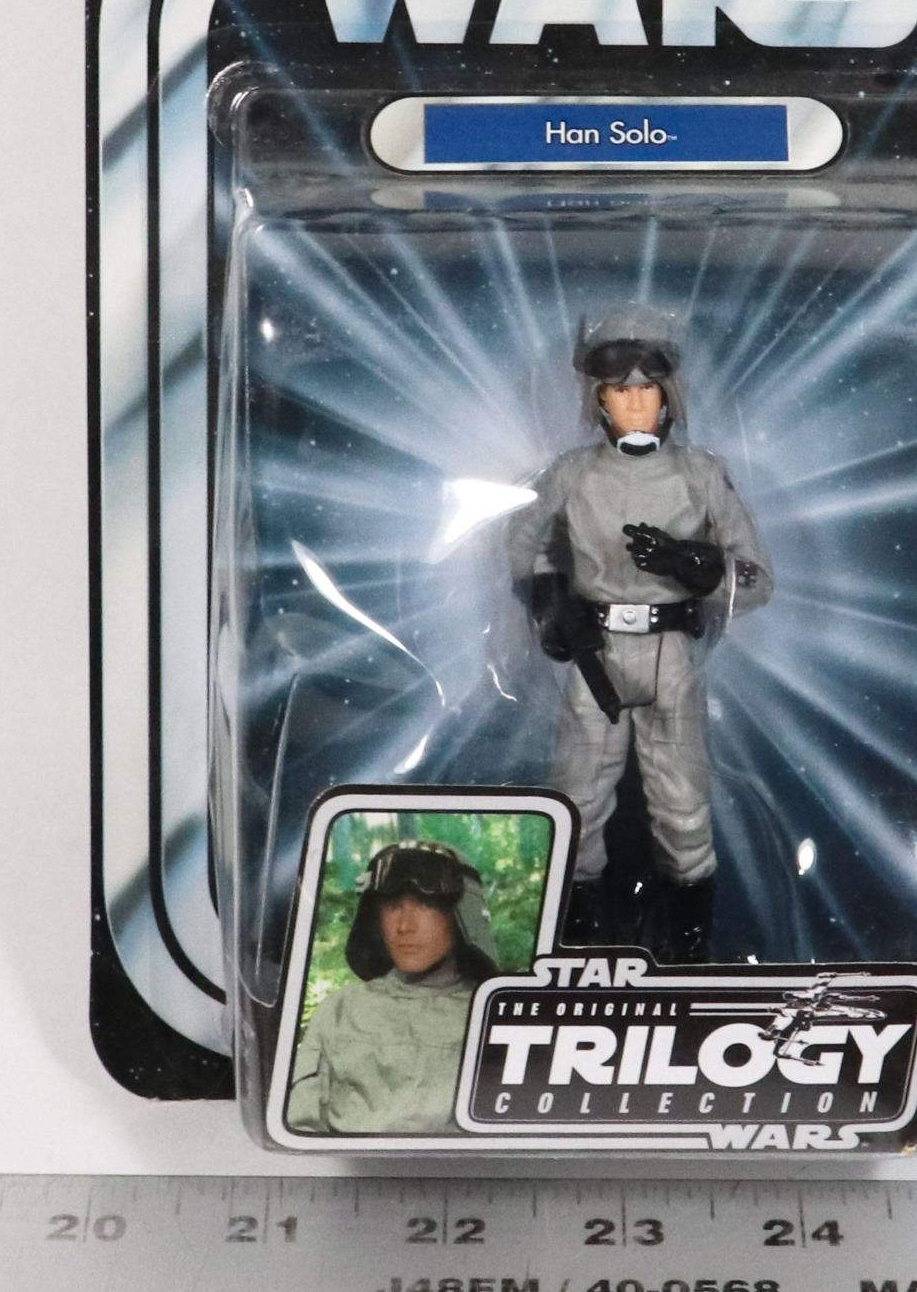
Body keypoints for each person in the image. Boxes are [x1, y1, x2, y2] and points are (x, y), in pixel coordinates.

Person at [508, 307, 772, 963]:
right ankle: (577, 934)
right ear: (598, 399)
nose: (634, 402)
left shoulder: (700, 474)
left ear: (667, 395)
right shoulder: (571, 473)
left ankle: (688, 942)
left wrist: (693, 564)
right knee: (577, 799)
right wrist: (549, 599)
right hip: (595, 652)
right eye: (619, 391)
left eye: (646, 389)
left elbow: (755, 579)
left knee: (682, 803)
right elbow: (520, 544)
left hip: (669, 652)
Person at [287, 838, 497, 1136]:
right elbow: (300, 1126)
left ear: (462, 914)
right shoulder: (341, 1009)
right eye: (392, 905)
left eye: (426, 904)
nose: (405, 926)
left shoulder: (494, 1016)